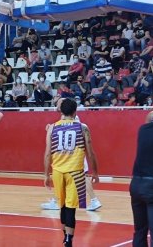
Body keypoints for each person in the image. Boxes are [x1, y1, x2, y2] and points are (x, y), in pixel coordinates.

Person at [44, 98, 99, 247]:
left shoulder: (52, 128)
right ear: (75, 112)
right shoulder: (82, 127)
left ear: (61, 111)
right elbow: (91, 153)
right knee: (70, 207)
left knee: (62, 205)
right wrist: (95, 172)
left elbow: (47, 154)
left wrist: (46, 175)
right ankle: (69, 239)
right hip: (75, 174)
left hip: (57, 171)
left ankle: (65, 236)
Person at [130, 112, 153, 246]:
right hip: (152, 186)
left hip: (136, 185)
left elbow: (150, 117)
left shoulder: (142, 130)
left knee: (140, 231)